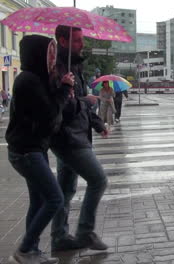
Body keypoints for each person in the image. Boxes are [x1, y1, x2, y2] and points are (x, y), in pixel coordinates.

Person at [5, 35, 74, 264]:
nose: (52, 59)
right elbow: (49, 117)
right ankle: (25, 249)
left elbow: (49, 110)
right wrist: (64, 90)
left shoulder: (35, 79)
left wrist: (61, 88)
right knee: (54, 199)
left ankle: (31, 251)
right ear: (38, 55)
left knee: (38, 200)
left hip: (33, 149)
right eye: (49, 53)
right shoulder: (29, 81)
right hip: (27, 151)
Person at [49, 25, 109, 252]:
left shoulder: (74, 65)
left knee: (65, 190)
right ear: (63, 41)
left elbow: (80, 101)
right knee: (98, 180)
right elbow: (63, 106)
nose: (82, 44)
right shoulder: (58, 68)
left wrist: (97, 123)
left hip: (75, 134)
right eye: (77, 40)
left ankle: (59, 237)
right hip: (68, 137)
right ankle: (85, 232)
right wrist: (86, 101)